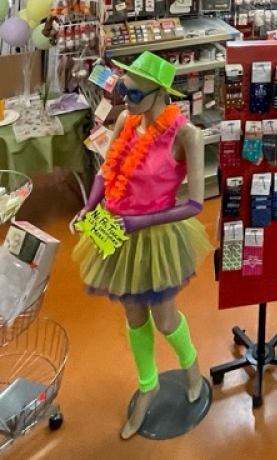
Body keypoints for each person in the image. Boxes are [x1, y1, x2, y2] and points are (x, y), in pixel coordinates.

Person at [73, 51, 210, 438]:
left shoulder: (186, 135)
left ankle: (191, 367)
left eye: (134, 94)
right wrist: (89, 206)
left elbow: (195, 204)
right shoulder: (125, 120)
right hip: (115, 229)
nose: (125, 100)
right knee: (134, 317)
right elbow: (107, 169)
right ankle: (148, 386)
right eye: (123, 91)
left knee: (165, 319)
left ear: (159, 93)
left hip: (155, 236)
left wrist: (140, 222)